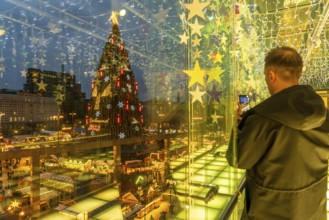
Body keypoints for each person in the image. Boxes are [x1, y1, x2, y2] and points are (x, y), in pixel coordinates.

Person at [226, 46, 329, 220]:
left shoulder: (261, 119)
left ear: (271, 75)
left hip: (267, 211)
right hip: (312, 209)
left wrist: (238, 126)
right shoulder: (324, 114)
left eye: (266, 76)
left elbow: (238, 159)